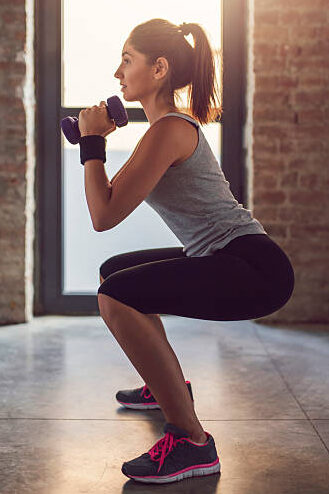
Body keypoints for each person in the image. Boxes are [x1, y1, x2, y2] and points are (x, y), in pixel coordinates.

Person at [78, 18, 295, 485]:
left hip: (253, 266)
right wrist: (97, 143)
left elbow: (102, 214)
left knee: (116, 296)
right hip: (228, 256)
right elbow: (109, 201)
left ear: (159, 68)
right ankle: (166, 388)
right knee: (113, 273)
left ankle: (193, 442)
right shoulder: (161, 130)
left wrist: (92, 141)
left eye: (126, 60)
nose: (118, 72)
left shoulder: (170, 130)